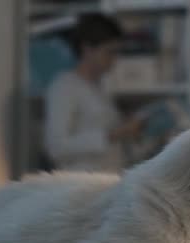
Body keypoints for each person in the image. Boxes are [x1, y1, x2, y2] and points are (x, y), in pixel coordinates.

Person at [44, 13, 143, 172]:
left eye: (116, 53)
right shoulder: (64, 86)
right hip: (79, 186)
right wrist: (112, 135)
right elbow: (57, 148)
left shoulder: (100, 88)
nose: (114, 59)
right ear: (87, 49)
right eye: (109, 52)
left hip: (107, 182)